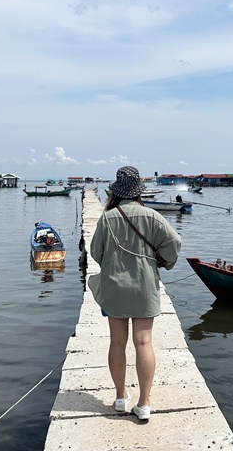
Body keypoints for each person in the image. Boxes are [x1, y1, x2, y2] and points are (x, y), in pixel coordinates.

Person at [88, 166, 181, 422]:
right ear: (138, 191)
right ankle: (144, 403)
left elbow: (96, 253)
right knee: (144, 343)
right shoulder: (152, 216)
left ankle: (120, 397)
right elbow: (174, 243)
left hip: (114, 288)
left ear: (117, 192)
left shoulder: (107, 218)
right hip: (144, 287)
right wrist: (161, 262)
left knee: (117, 342)